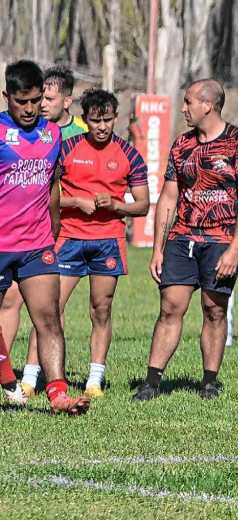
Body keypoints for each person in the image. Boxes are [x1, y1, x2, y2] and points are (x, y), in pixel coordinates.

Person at [132, 79, 238, 401]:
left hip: (221, 239)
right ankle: (151, 382)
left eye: (188, 102)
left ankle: (209, 382)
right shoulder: (181, 145)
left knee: (214, 310)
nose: (184, 108)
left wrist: (235, 247)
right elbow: (169, 198)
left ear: (208, 105)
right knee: (170, 307)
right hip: (182, 237)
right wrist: (157, 249)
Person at [23, 88, 149, 399]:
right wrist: (76, 202)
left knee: (101, 309)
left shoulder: (129, 154)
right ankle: (30, 377)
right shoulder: (66, 149)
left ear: (115, 119)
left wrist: (117, 206)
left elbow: (143, 205)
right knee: (49, 309)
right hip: (69, 239)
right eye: (96, 121)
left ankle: (94, 380)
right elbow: (45, 195)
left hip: (107, 241)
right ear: (85, 120)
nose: (102, 127)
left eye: (108, 120)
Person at [0, 60, 89, 414]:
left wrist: (54, 227)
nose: (29, 109)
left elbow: (53, 185)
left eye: (36, 100)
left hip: (36, 245)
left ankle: (58, 394)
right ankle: (8, 380)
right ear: (7, 97)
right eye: (21, 101)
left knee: (49, 317)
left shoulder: (52, 134)